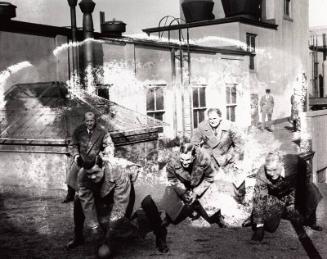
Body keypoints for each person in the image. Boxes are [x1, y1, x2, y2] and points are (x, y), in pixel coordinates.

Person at [66, 156, 169, 257]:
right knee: (77, 200)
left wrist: (111, 230)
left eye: (95, 172)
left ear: (103, 166)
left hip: (131, 181)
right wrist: (95, 227)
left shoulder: (118, 170)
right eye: (89, 174)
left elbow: (120, 204)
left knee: (147, 202)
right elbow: (87, 204)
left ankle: (160, 235)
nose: (92, 176)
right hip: (106, 188)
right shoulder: (82, 175)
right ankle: (78, 237)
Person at [249, 152, 323, 242]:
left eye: (274, 170)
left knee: (311, 192)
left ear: (281, 164)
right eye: (269, 170)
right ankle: (254, 218)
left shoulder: (295, 163)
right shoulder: (262, 174)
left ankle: (311, 222)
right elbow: (259, 198)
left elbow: (307, 171)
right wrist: (259, 226)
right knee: (270, 227)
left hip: (293, 188)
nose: (272, 174)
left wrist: (297, 194)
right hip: (276, 195)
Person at [160, 142, 226, 226]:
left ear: (194, 157)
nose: (184, 163)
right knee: (169, 189)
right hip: (183, 184)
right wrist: (182, 192)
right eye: (182, 159)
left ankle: (217, 216)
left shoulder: (204, 157)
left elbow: (210, 177)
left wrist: (197, 192)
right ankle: (169, 217)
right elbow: (172, 179)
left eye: (188, 160)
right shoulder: (172, 159)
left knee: (212, 187)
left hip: (199, 183)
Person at [63, 111, 114, 203]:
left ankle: (99, 198)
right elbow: (72, 145)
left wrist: (103, 156)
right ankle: (70, 195)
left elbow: (109, 146)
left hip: (95, 160)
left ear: (95, 121)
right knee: (72, 173)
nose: (89, 123)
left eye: (92, 121)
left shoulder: (102, 131)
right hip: (81, 159)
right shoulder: (79, 130)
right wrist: (76, 155)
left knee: (99, 177)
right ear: (84, 121)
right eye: (87, 121)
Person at [191, 108, 244, 174]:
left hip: (227, 160)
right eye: (210, 119)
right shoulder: (203, 126)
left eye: (215, 118)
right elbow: (194, 143)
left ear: (220, 118)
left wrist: (236, 160)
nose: (212, 121)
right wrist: (199, 155)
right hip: (210, 161)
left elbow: (239, 145)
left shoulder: (230, 126)